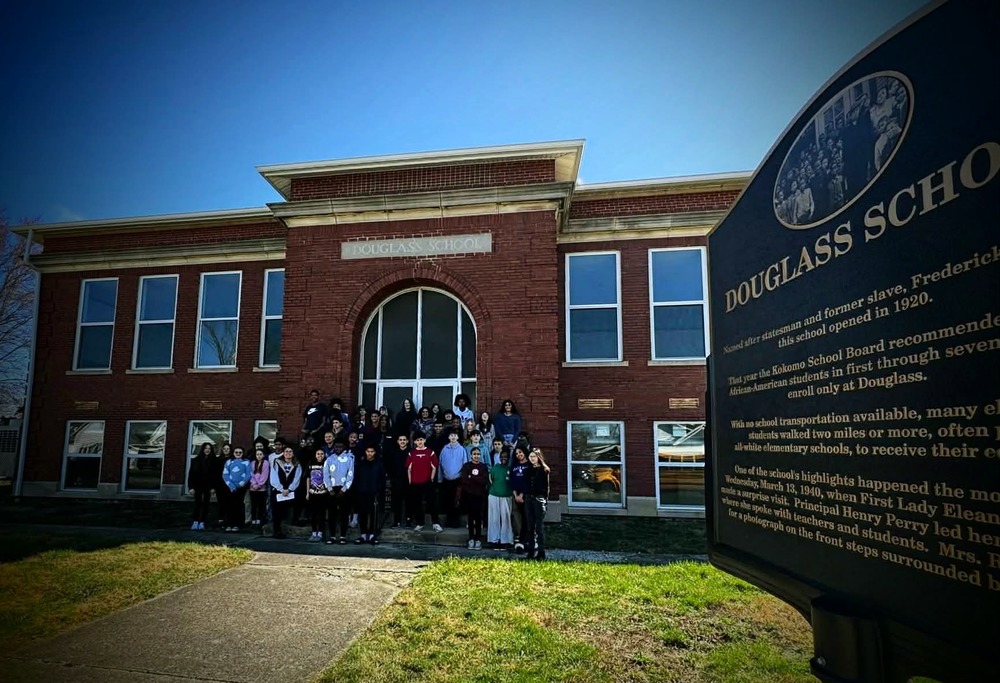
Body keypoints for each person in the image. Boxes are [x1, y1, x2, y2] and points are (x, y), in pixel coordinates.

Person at [406, 432, 440, 532]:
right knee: (417, 504)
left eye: (421, 439)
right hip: (415, 483)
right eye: (417, 440)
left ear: (424, 440)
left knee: (432, 503)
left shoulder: (430, 452)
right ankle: (420, 523)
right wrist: (410, 482)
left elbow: (434, 466)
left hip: (428, 482)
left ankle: (436, 523)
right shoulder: (411, 453)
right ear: (415, 442)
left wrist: (432, 479)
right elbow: (408, 468)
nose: (419, 442)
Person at [323, 439, 355, 544]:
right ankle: (332, 536)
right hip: (331, 489)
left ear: (344, 448)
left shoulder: (349, 459)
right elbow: (325, 475)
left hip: (344, 490)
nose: (338, 449)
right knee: (331, 514)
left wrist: (344, 489)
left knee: (344, 514)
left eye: (340, 447)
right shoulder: (329, 459)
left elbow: (350, 475)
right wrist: (329, 489)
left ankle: (342, 536)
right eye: (336, 447)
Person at [457, 447, 489, 549]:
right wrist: (475, 478)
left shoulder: (483, 466)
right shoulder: (467, 466)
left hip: (479, 495)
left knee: (478, 517)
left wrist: (472, 477)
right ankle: (471, 538)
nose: (476, 456)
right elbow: (465, 480)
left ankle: (478, 539)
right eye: (474, 454)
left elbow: (484, 480)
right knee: (470, 517)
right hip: (469, 495)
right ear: (471, 455)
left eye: (478, 454)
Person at [353, 445, 386, 544]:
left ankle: (372, 535)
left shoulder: (379, 464)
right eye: (368, 451)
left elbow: (382, 478)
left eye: (372, 451)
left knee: (373, 514)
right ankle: (363, 535)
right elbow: (356, 478)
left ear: (375, 452)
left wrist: (378, 489)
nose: (370, 453)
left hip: (374, 492)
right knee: (362, 514)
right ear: (365, 452)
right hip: (362, 492)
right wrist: (359, 488)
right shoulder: (360, 464)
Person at [269, 446, 302, 539]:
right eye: (286, 451)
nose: (288, 453)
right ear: (283, 453)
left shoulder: (297, 464)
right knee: (276, 512)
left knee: (292, 508)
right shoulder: (277, 462)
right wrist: (281, 488)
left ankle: (291, 527)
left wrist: (290, 488)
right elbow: (273, 476)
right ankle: (277, 531)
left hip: (290, 491)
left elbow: (297, 478)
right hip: (278, 491)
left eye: (290, 451)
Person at [524, 448, 551, 560]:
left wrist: (544, 499)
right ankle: (530, 551)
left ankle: (541, 552)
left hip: (539, 499)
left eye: (534, 456)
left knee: (539, 528)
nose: (532, 459)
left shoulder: (544, 470)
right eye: (530, 457)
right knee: (530, 527)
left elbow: (547, 487)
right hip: (529, 499)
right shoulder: (528, 469)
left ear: (538, 457)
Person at [438, 430, 468, 528]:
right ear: (449, 437)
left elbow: (465, 465)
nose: (453, 437)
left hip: (457, 479)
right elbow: (440, 464)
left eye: (455, 435)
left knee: (456, 502)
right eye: (451, 435)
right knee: (448, 501)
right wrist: (440, 478)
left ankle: (455, 522)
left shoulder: (461, 449)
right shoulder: (444, 449)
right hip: (446, 480)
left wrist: (464, 479)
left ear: (458, 437)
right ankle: (448, 522)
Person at [487, 449, 513, 549]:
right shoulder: (494, 468)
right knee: (494, 518)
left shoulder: (510, 469)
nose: (503, 458)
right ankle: (494, 540)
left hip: (507, 496)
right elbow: (490, 481)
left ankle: (505, 540)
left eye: (506, 456)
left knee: (506, 518)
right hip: (494, 495)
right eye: (502, 456)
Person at [222, 445, 252, 531]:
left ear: (243, 453)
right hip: (230, 487)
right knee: (229, 506)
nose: (238, 454)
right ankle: (228, 524)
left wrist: (241, 484)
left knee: (239, 506)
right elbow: (225, 474)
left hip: (241, 488)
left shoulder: (246, 462)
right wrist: (231, 485)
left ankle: (237, 524)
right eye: (236, 452)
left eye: (240, 452)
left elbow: (248, 474)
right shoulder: (229, 462)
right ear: (233, 453)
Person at [188, 442, 216, 530]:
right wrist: (191, 487)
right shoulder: (196, 460)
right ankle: (195, 521)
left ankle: (202, 522)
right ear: (202, 449)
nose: (207, 450)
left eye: (209, 448)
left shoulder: (214, 461)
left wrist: (213, 487)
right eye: (206, 448)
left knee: (206, 504)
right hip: (197, 485)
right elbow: (191, 474)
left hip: (208, 486)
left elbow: (215, 476)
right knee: (197, 503)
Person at [384, 434, 410, 528]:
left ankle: (408, 521)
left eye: (404, 440)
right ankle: (397, 521)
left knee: (408, 502)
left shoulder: (411, 452)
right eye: (400, 440)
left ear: (407, 441)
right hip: (396, 480)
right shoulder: (393, 452)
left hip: (408, 481)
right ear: (398, 441)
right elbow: (389, 465)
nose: (402, 441)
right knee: (396, 502)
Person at [509, 446, 531, 553]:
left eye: (520, 452)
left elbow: (528, 481)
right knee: (519, 517)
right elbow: (512, 480)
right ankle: (521, 540)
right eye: (516, 453)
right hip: (515, 495)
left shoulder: (529, 465)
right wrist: (515, 495)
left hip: (526, 496)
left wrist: (522, 495)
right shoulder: (514, 466)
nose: (518, 455)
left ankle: (525, 541)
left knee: (527, 518)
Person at [305, 448, 329, 542]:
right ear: (315, 455)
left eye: (322, 454)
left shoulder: (326, 464)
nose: (320, 455)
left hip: (323, 493)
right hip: (312, 493)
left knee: (322, 514)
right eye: (318, 454)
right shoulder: (311, 464)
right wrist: (307, 492)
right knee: (313, 514)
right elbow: (308, 478)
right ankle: (314, 532)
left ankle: (320, 533)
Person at [248, 440, 270, 527]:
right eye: (257, 454)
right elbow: (251, 474)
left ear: (263, 455)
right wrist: (253, 484)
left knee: (261, 505)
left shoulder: (266, 463)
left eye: (261, 454)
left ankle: (260, 519)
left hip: (262, 488)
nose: (259, 456)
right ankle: (253, 519)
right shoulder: (252, 463)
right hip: (253, 487)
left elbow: (265, 474)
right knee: (253, 504)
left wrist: (259, 484)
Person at [214, 442, 233, 529]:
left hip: (229, 485)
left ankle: (228, 520)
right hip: (220, 485)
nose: (226, 450)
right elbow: (215, 473)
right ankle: (220, 519)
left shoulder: (232, 460)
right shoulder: (218, 460)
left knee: (229, 503)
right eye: (224, 449)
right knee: (221, 503)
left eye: (228, 449)